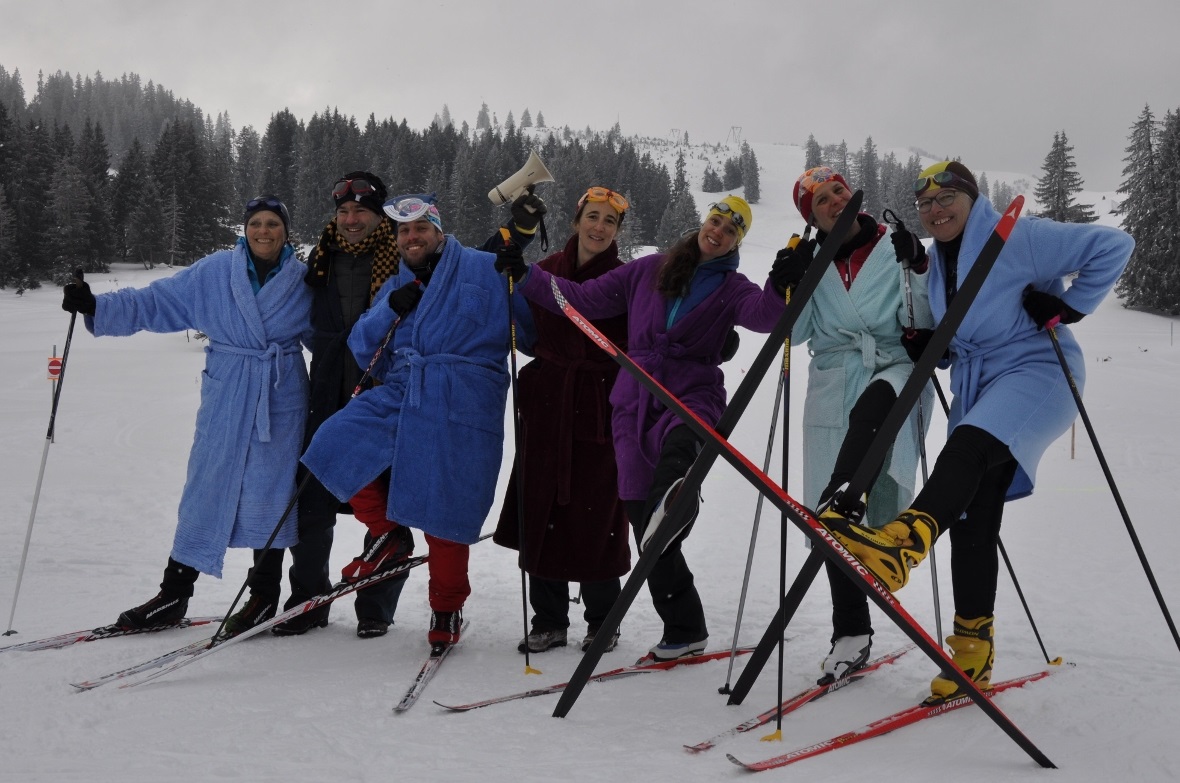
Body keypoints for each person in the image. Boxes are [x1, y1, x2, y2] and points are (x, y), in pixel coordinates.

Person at [820, 161, 1133, 703]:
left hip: (1038, 372)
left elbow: (1113, 245)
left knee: (964, 450)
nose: (935, 211)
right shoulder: (941, 259)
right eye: (926, 204)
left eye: (947, 199)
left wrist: (1068, 306)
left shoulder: (1019, 236)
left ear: (971, 198)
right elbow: (968, 327)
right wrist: (932, 346)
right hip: (981, 383)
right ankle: (972, 654)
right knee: (971, 515)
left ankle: (900, 546)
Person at [498, 195, 797, 661]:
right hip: (632, 400)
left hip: (690, 392)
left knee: (681, 443)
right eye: (715, 221)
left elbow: (766, 317)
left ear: (737, 241)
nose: (717, 232)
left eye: (731, 230)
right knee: (646, 529)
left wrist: (780, 284)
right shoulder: (647, 269)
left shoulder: (734, 287)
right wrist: (528, 274)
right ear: (704, 221)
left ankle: (677, 491)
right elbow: (579, 299)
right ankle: (685, 627)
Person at [267, 172, 544, 640]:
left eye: (420, 229)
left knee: (447, 514)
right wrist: (390, 308)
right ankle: (389, 536)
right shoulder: (396, 280)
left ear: (439, 231)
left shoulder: (483, 267)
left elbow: (533, 334)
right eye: (403, 232)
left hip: (465, 400)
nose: (412, 238)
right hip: (404, 387)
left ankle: (446, 610)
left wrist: (526, 278)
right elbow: (360, 345)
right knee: (330, 443)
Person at [60, 195, 313, 637]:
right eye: (256, 222)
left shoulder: (305, 281)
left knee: (269, 493)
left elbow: (332, 337)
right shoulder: (216, 272)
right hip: (227, 391)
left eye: (273, 223)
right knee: (206, 487)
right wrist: (96, 306)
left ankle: (262, 595)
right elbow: (159, 301)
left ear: (286, 232)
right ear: (245, 228)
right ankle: (174, 593)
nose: (264, 231)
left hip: (279, 395)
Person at [779, 166, 934, 682]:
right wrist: (790, 279)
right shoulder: (815, 260)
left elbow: (928, 315)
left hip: (892, 369)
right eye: (820, 199)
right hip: (830, 386)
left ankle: (885, 568)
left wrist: (918, 264)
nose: (833, 201)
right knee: (829, 514)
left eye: (838, 191)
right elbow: (795, 334)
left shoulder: (895, 243)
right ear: (811, 215)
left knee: (863, 498)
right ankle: (851, 632)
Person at [492, 186, 631, 655]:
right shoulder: (544, 269)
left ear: (617, 232)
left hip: (601, 403)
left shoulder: (627, 279)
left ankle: (603, 620)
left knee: (599, 514)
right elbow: (520, 325)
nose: (598, 228)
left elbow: (654, 327)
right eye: (592, 217)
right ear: (576, 221)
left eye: (609, 222)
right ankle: (548, 620)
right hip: (550, 399)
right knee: (542, 507)